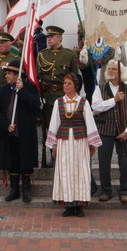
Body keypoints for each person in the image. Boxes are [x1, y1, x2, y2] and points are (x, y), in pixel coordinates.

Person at [46, 73, 102, 217]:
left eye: (69, 83)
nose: (65, 85)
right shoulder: (59, 103)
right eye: (64, 83)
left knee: (80, 172)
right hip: (64, 142)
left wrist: (92, 144)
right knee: (65, 171)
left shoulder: (83, 102)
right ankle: (68, 205)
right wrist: (53, 146)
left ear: (76, 86)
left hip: (80, 142)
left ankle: (79, 205)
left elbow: (89, 123)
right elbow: (54, 124)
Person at [92, 60, 127, 204]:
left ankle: (124, 190)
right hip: (105, 130)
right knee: (104, 162)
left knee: (125, 162)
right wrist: (114, 100)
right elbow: (96, 108)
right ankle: (106, 190)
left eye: (114, 69)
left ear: (120, 73)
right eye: (109, 69)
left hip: (122, 130)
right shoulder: (100, 88)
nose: (110, 71)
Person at [0, 60, 41, 203]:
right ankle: (14, 189)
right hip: (10, 133)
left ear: (17, 75)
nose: (6, 76)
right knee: (12, 160)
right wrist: (6, 124)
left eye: (9, 73)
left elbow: (35, 106)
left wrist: (22, 91)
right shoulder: (3, 91)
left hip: (25, 133)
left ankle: (26, 189)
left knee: (25, 160)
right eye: (6, 73)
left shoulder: (29, 88)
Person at [37, 25, 80, 167]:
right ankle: (53, 155)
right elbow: (38, 77)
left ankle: (67, 154)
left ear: (59, 38)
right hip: (48, 96)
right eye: (48, 37)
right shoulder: (42, 55)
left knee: (66, 126)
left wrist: (75, 97)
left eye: (52, 36)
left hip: (64, 96)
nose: (48, 39)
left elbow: (76, 78)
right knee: (51, 127)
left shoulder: (70, 55)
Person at [0, 31, 20, 102]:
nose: (0, 45)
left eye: (2, 43)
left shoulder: (14, 59)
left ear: (10, 45)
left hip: (7, 93)